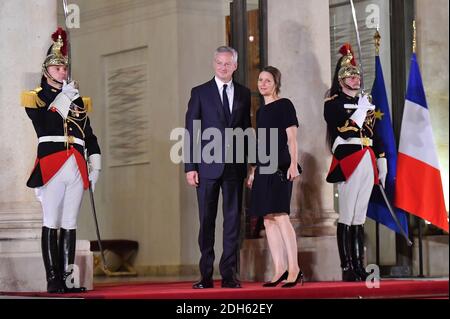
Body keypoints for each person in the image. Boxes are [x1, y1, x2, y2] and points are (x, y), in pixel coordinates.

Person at [21, 27, 101, 293]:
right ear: (46, 71)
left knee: (70, 222)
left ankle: (67, 279)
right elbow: (46, 125)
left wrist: (96, 162)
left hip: (76, 164)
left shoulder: (77, 99)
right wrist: (63, 98)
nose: (62, 73)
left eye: (64, 69)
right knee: (51, 221)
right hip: (52, 163)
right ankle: (52, 279)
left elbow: (88, 134)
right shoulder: (36, 98)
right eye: (56, 69)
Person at [185, 46, 251, 289]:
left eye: (228, 64)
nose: (224, 67)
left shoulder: (244, 93)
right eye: (220, 63)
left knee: (233, 221)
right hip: (206, 167)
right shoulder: (200, 92)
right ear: (214, 64)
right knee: (207, 221)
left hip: (235, 167)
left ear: (235, 65)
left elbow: (246, 131)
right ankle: (205, 275)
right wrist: (190, 167)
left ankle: (229, 274)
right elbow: (191, 132)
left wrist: (251, 164)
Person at [323, 44, 386, 282]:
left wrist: (382, 159)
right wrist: (360, 111)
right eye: (351, 76)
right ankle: (347, 266)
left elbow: (375, 134)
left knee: (360, 214)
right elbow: (344, 128)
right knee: (347, 213)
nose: (356, 79)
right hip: (349, 158)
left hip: (367, 157)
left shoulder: (365, 103)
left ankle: (359, 264)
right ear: (341, 80)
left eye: (358, 75)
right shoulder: (333, 103)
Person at [247, 66, 303, 288]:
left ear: (276, 83)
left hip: (281, 165)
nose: (262, 84)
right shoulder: (260, 112)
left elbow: (292, 139)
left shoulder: (285, 105)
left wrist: (292, 164)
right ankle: (279, 268)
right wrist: (253, 170)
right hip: (263, 166)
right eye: (260, 80)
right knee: (267, 219)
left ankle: (295, 268)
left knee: (280, 216)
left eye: (267, 81)